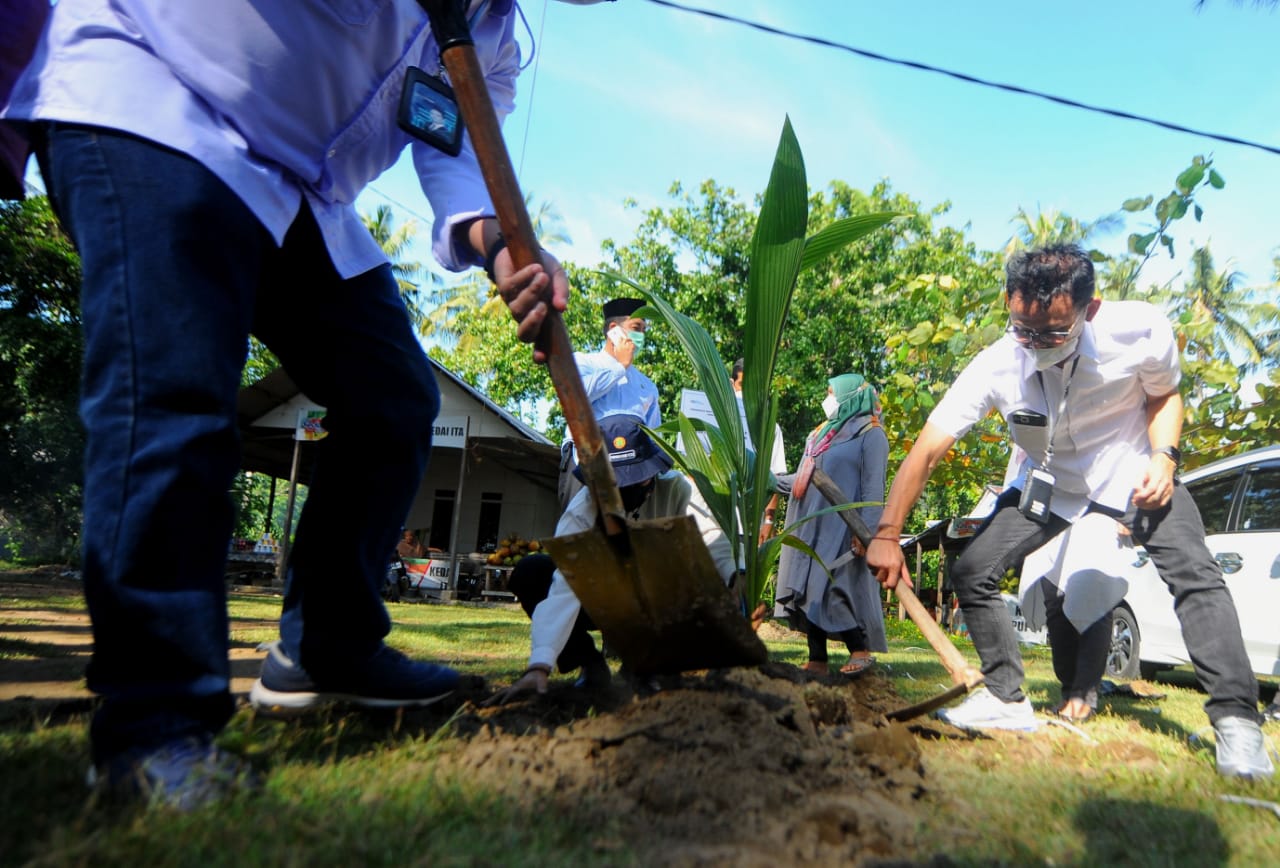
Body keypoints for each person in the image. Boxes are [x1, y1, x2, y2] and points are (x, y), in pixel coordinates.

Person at [1, 0, 586, 806]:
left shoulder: (492, 35)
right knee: (175, 397)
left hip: (301, 193)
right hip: (158, 101)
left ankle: (326, 651)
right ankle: (155, 722)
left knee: (392, 401)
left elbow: (448, 145)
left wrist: (499, 249)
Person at [866, 244, 1273, 779]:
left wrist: (1164, 457)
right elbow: (928, 449)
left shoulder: (1139, 330)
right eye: (1022, 328)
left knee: (1195, 574)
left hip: (1130, 470)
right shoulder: (996, 363)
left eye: (1053, 333)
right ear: (1009, 306)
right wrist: (888, 532)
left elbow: (1165, 396)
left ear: (1091, 308)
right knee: (973, 570)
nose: (1034, 345)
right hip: (1051, 487)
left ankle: (1237, 723)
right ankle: (1006, 698)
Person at [495, 414, 737, 702]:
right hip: (601, 598)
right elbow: (565, 587)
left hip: (662, 598)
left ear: (653, 472)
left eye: (637, 478)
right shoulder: (583, 510)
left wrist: (735, 578)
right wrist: (540, 665)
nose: (629, 488)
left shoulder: (678, 490)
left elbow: (712, 538)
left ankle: (651, 668)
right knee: (531, 571)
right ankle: (589, 663)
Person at [774, 374, 888, 676]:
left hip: (842, 527)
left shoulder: (870, 434)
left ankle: (860, 649)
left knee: (832, 587)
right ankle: (817, 660)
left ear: (851, 396)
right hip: (811, 523)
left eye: (832, 394)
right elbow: (802, 477)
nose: (828, 400)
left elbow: (874, 489)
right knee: (809, 587)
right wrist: (765, 479)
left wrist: (866, 531)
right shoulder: (821, 434)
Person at [558, 298, 661, 509]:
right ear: (614, 329)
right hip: (583, 465)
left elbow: (654, 434)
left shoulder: (647, 385)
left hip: (632, 476)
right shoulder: (582, 362)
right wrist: (620, 366)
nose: (641, 336)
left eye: (644, 330)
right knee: (576, 536)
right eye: (636, 328)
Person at [731, 358, 788, 545]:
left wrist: (768, 520)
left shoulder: (770, 428)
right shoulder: (713, 420)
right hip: (717, 523)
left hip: (751, 526)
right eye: (741, 385)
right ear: (732, 385)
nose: (745, 393)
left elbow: (775, 477)